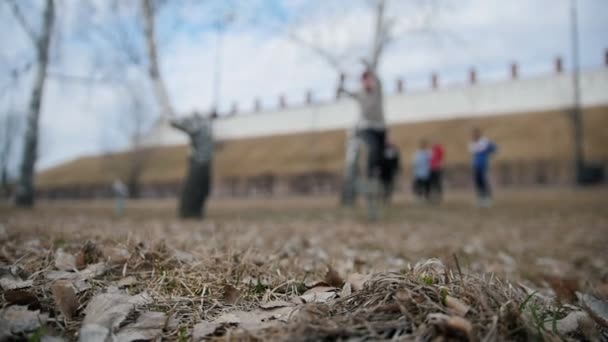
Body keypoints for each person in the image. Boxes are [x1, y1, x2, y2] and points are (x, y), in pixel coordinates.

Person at [338, 67, 386, 213]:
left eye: (369, 79)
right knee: (372, 148)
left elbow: (378, 80)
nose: (368, 82)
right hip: (367, 127)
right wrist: (341, 80)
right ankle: (370, 174)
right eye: (365, 79)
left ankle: (377, 174)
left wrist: (370, 67)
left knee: (380, 155)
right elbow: (343, 92)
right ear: (362, 82)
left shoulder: (378, 90)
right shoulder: (359, 93)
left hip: (380, 128)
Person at [170, 111, 214, 219]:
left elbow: (186, 127)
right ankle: (196, 213)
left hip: (198, 163)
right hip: (207, 163)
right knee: (202, 191)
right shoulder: (208, 126)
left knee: (192, 190)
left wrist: (173, 121)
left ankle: (188, 214)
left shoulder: (199, 126)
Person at [469, 128, 497, 207]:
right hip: (476, 165)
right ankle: (480, 198)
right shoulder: (473, 144)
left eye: (476, 134)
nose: (474, 136)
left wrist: (490, 151)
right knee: (478, 183)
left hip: (483, 165)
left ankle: (487, 199)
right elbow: (473, 154)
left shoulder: (484, 142)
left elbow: (494, 148)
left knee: (484, 182)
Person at [380, 137, 401, 203]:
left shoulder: (394, 150)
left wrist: (397, 169)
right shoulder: (382, 150)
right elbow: (379, 160)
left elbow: (396, 160)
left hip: (391, 171)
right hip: (383, 171)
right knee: (383, 184)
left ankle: (388, 197)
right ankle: (384, 197)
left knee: (390, 184)